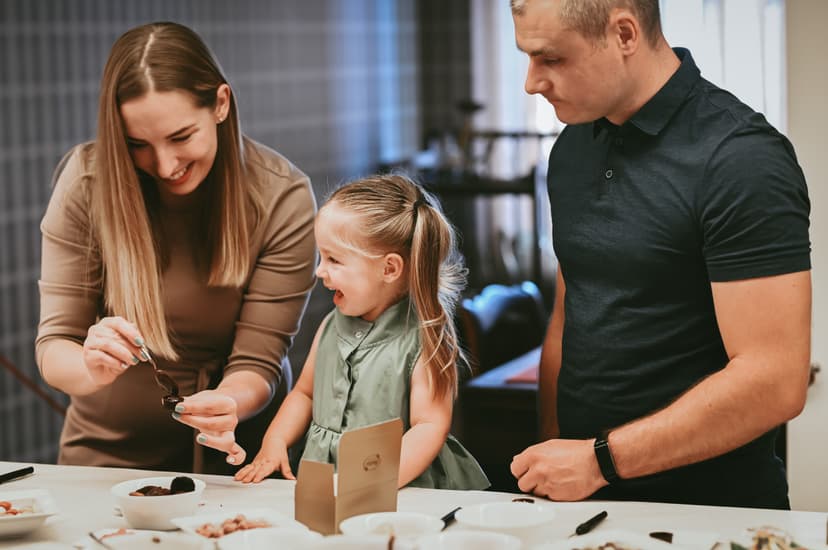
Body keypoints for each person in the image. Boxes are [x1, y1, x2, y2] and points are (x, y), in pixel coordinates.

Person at [508, 0, 811, 508]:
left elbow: (775, 379)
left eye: (552, 59)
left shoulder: (740, 157)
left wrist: (598, 461)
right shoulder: (573, 145)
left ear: (624, 33)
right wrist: (553, 451)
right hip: (581, 500)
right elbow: (570, 314)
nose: (531, 82)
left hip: (709, 510)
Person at [35, 21, 317, 473]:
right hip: (106, 462)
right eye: (137, 145)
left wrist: (229, 400)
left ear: (220, 104)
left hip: (240, 462)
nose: (164, 166)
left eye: (181, 137)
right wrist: (90, 365)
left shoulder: (281, 197)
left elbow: (259, 361)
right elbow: (54, 348)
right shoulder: (86, 185)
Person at [234, 174, 490, 490]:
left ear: (389, 269)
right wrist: (275, 439)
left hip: (399, 491)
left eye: (334, 259)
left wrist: (369, 483)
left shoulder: (423, 337)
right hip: (327, 485)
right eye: (321, 256)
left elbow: (429, 426)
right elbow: (305, 393)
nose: (319, 271)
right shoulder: (331, 326)